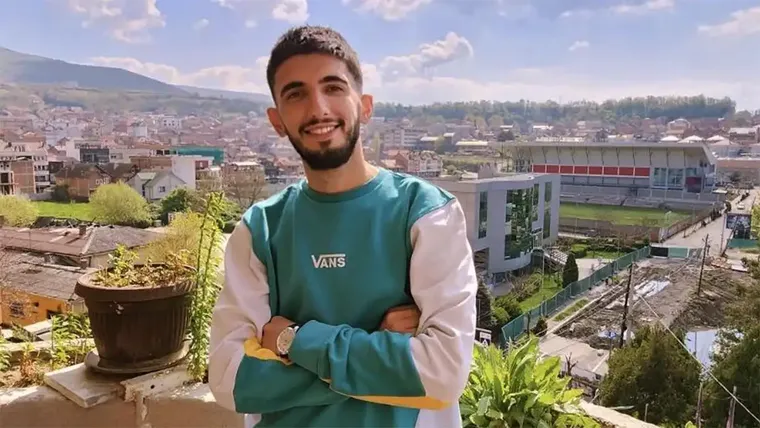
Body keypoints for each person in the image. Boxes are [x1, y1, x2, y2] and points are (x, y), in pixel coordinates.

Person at [209, 25, 477, 428]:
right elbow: (231, 381)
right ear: (277, 120)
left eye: (333, 87)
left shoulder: (427, 214)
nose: (318, 108)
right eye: (296, 94)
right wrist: (380, 353)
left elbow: (443, 373)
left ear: (364, 106)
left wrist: (294, 341)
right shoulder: (261, 229)